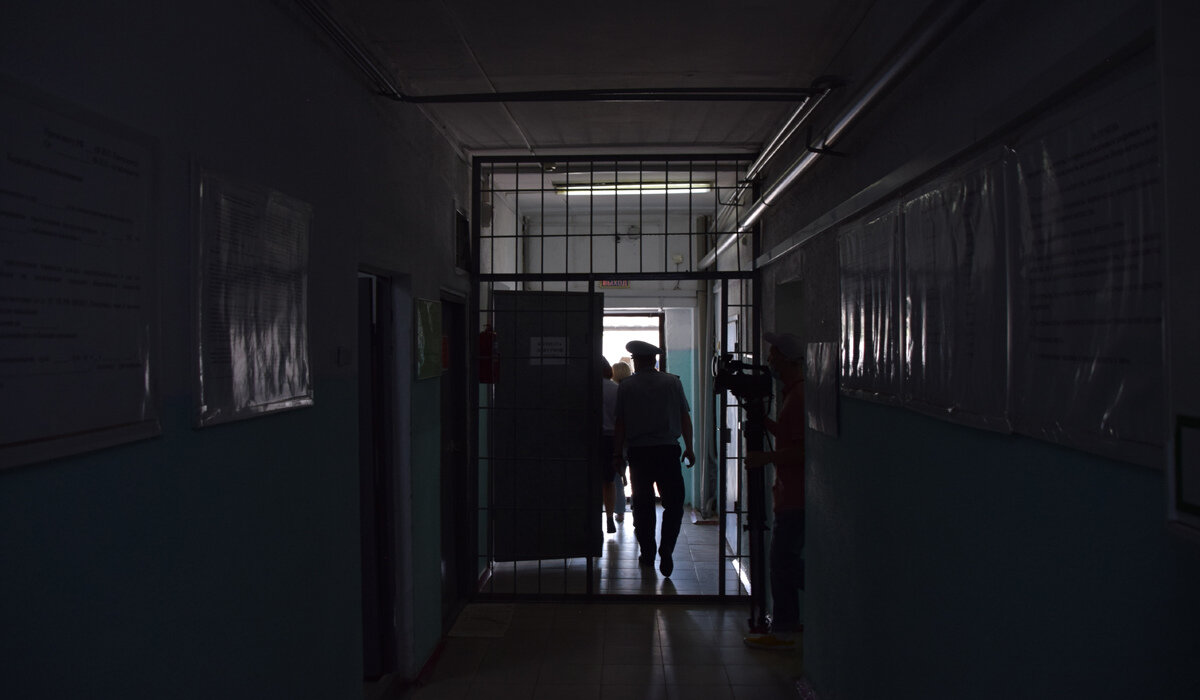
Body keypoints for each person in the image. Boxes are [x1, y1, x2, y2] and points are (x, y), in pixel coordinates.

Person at [743, 332, 806, 651]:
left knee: (782, 564)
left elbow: (803, 451)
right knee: (784, 563)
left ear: (786, 359)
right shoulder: (793, 394)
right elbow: (788, 436)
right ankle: (788, 625)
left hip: (794, 496)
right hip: (788, 493)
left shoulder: (799, 397)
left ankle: (784, 631)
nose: (769, 361)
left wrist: (765, 457)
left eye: (773, 355)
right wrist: (764, 421)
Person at [612, 340, 695, 577]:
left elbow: (620, 424)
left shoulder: (626, 386)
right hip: (668, 451)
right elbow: (684, 417)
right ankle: (666, 546)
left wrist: (618, 454)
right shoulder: (673, 382)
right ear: (654, 360)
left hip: (639, 453)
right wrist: (689, 448)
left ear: (637, 360)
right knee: (674, 503)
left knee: (643, 505)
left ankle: (648, 552)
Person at [610, 360, 633, 524]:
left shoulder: (612, 390)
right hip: (633, 437)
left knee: (616, 476)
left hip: (614, 438)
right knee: (638, 476)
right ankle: (637, 509)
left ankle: (619, 511)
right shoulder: (632, 391)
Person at [600, 358, 620, 533]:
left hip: (591, 439)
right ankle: (609, 517)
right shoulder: (616, 389)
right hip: (611, 439)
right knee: (609, 481)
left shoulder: (587, 387)